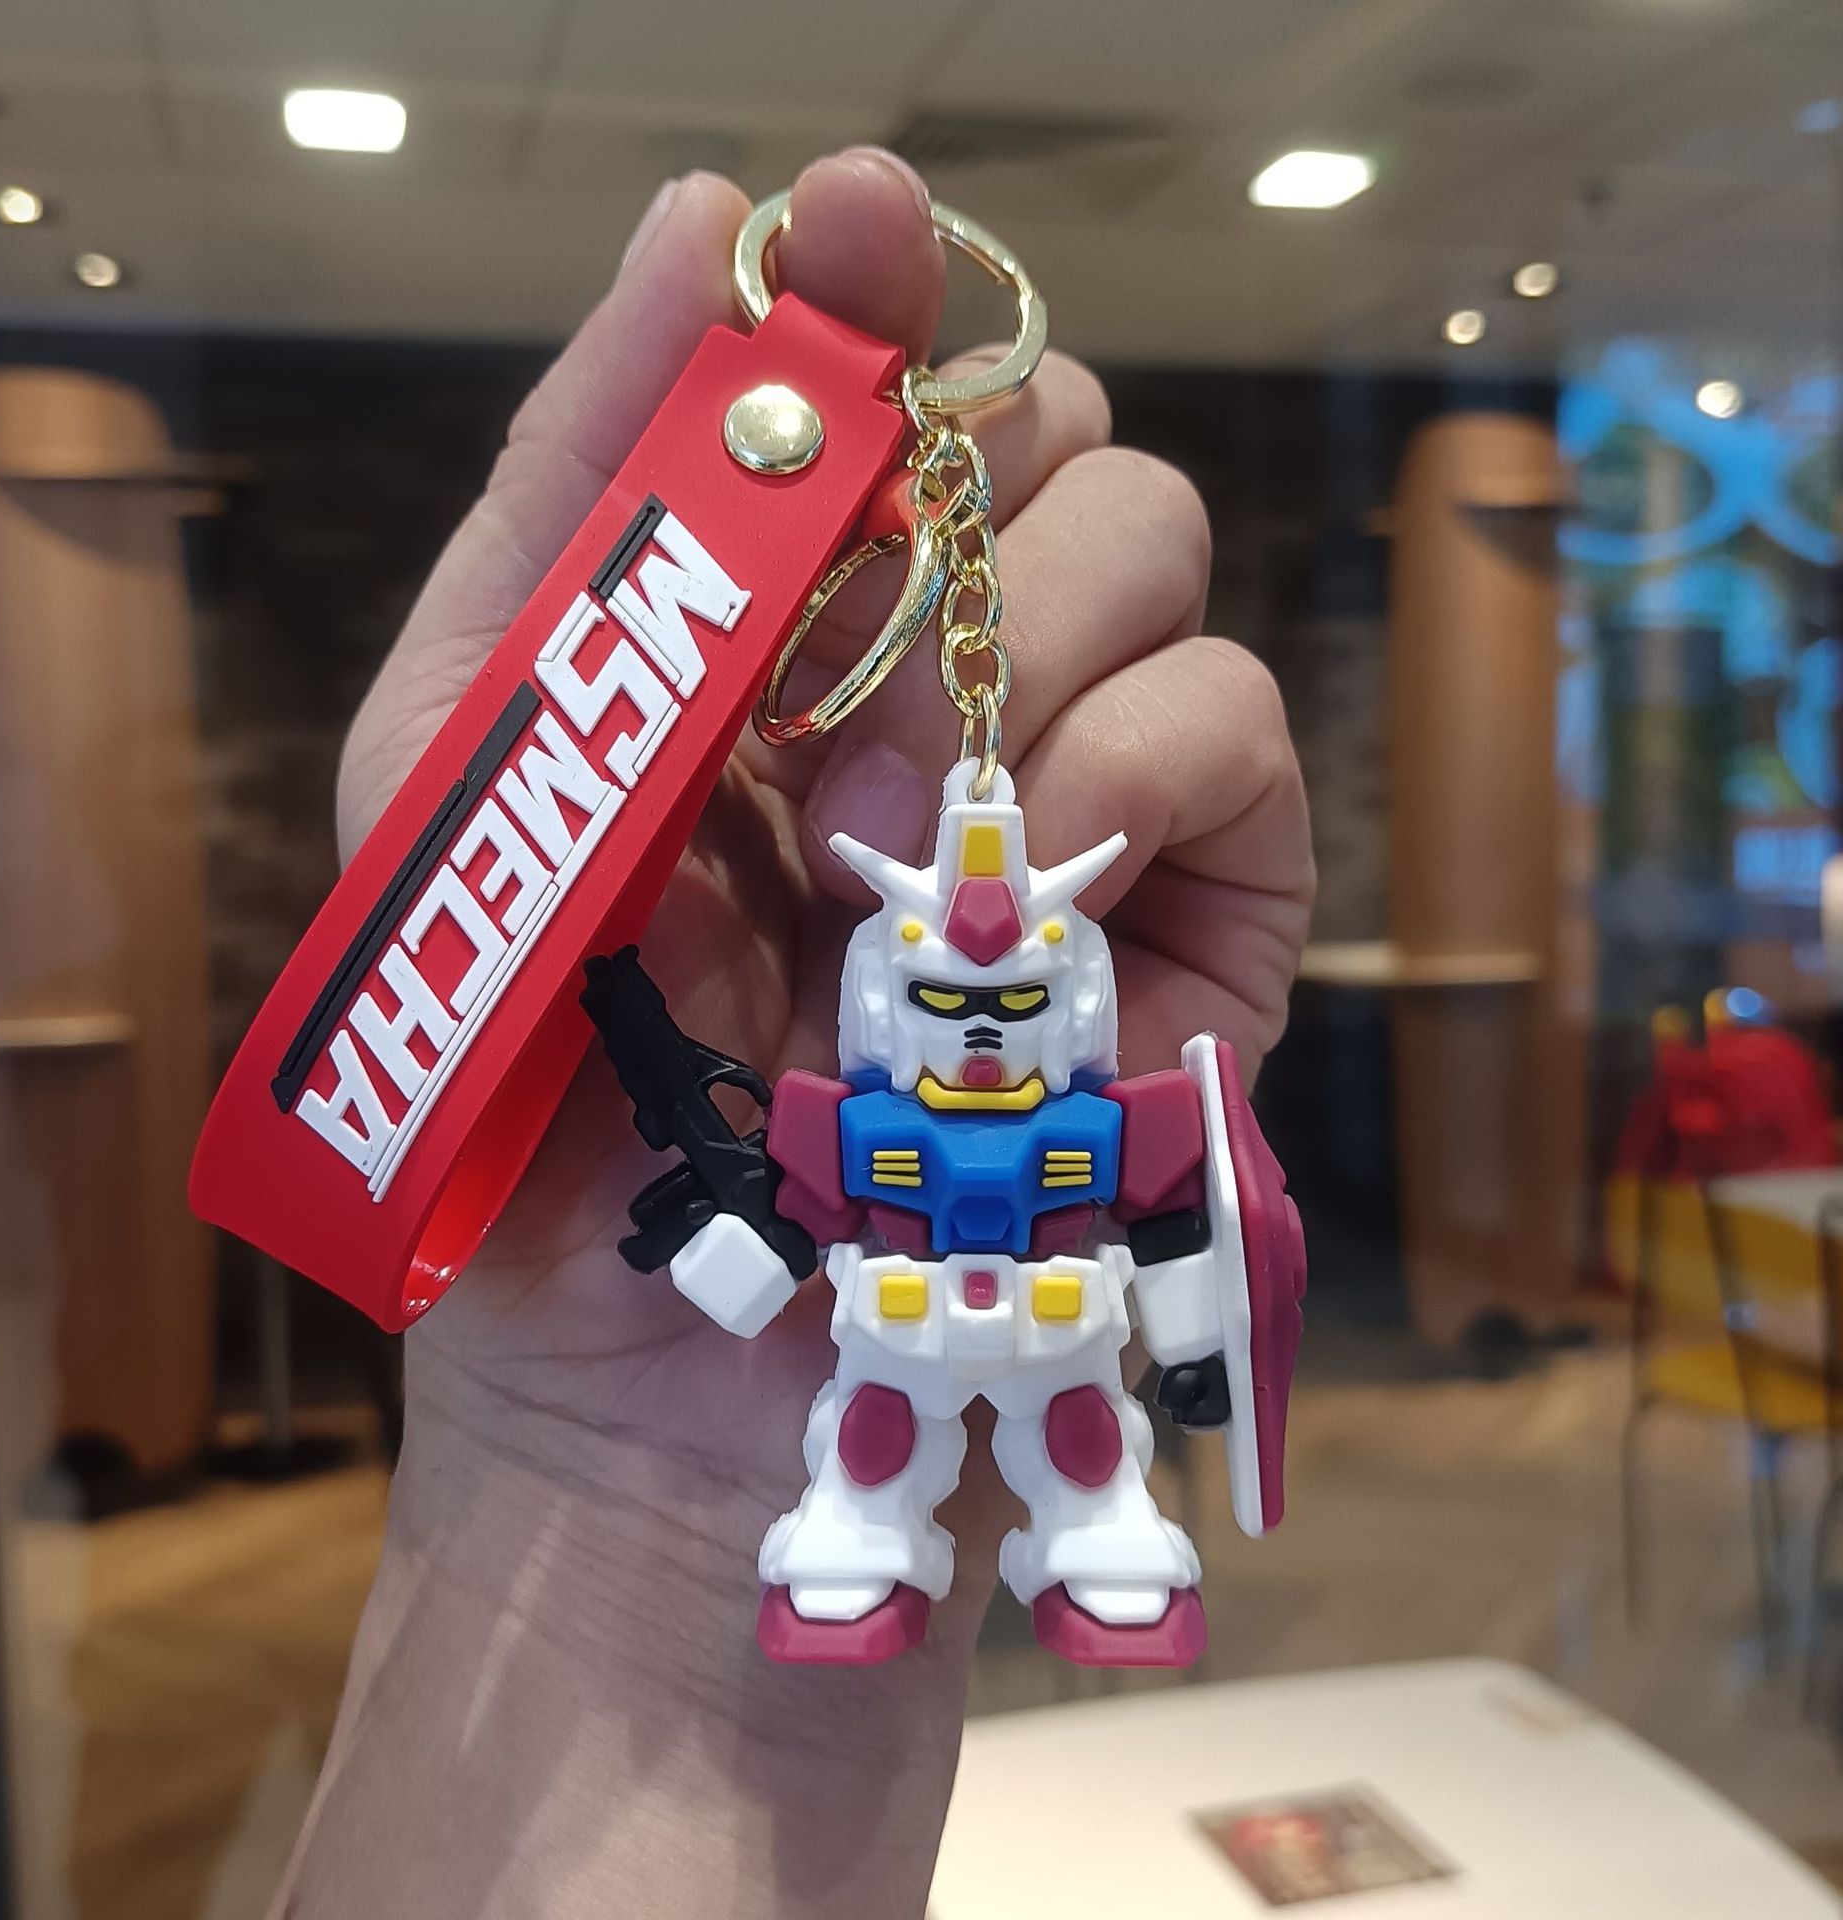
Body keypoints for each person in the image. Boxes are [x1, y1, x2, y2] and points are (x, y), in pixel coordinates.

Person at [281, 146, 1313, 1918]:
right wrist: (715, 1251)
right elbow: (759, 1206)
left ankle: (1099, 1543)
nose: (980, 1030)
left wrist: (1208, 1346)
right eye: (953, 998)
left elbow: (1194, 1209)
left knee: (1086, 1453)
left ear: (1068, 991)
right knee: (871, 1460)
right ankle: (855, 1542)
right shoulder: (849, 1119)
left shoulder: (1110, 1112)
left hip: (1055, 1341)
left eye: (1010, 1000)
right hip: (891, 1341)